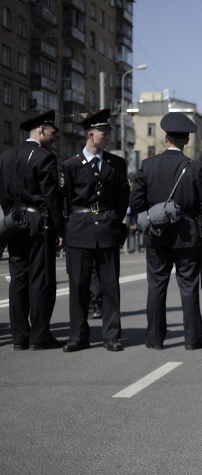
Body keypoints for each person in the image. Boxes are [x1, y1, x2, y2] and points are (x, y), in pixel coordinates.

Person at [129, 112, 202, 350]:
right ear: (186, 140)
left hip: (156, 234)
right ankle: (193, 339)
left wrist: (158, 212)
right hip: (186, 236)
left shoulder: (147, 165)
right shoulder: (194, 168)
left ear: (165, 138)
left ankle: (154, 339)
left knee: (156, 286)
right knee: (188, 287)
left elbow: (135, 203)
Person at [60, 109, 130, 352]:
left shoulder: (117, 163)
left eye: (109, 132)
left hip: (108, 229)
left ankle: (111, 336)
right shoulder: (70, 165)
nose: (108, 136)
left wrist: (113, 220)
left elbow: (123, 198)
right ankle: (77, 336)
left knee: (110, 286)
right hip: (79, 230)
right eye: (104, 132)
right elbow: (64, 200)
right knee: (78, 286)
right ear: (90, 134)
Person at [0, 110, 65, 351]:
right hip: (39, 224)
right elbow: (52, 197)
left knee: (18, 279)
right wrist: (60, 229)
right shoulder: (44, 157)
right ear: (40, 130)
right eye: (52, 131)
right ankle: (40, 335)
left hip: (13, 221)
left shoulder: (6, 155)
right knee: (40, 279)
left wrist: (11, 214)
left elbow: (2, 192)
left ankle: (19, 337)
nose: (54, 135)